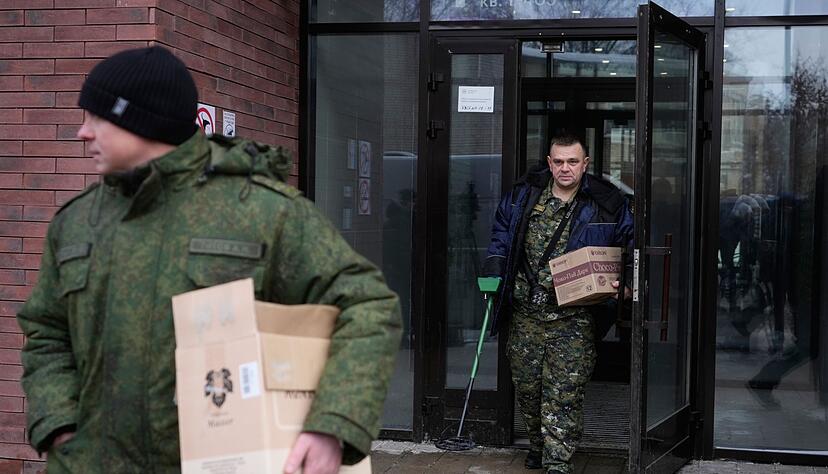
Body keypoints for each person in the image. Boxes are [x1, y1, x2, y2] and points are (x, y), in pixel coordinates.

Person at [17, 46, 401, 474]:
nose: (81, 133)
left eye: (96, 116)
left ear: (141, 118)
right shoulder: (76, 223)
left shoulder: (260, 211)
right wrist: (59, 424)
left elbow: (368, 306)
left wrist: (332, 426)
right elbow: (47, 331)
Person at [482, 134, 633, 473]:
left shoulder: (607, 203)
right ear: (549, 163)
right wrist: (493, 268)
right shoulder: (522, 198)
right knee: (529, 390)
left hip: (574, 317)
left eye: (573, 161)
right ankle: (538, 446)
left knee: (564, 393)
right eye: (559, 162)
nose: (566, 168)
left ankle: (557, 462)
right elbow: (501, 237)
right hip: (525, 313)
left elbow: (630, 244)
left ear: (586, 164)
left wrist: (629, 283)